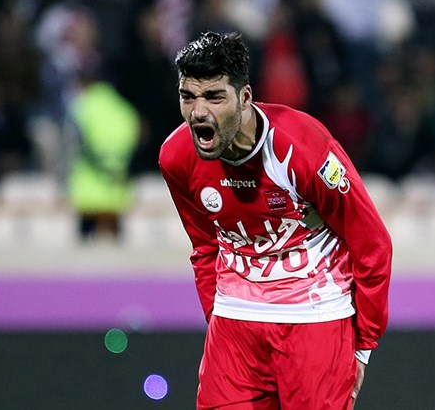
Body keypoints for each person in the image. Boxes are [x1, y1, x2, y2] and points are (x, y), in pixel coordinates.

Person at [159, 31, 392, 409]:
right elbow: (205, 246)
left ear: (245, 98)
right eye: (189, 96)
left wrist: (363, 344)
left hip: (316, 319)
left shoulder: (302, 147)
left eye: (214, 97)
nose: (198, 112)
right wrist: (218, 316)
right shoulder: (176, 157)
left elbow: (371, 242)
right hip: (235, 324)